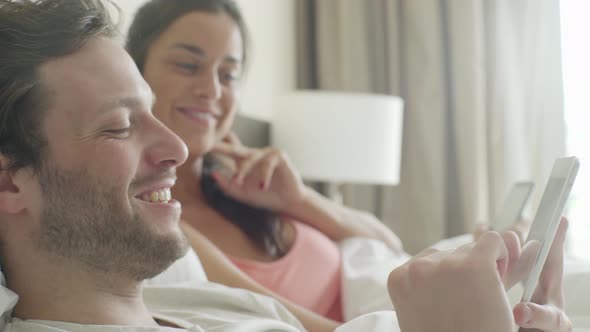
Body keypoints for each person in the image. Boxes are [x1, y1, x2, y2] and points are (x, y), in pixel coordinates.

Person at [0, 0, 572, 331]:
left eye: (229, 73)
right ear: (9, 180)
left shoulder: (200, 302)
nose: (176, 145)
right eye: (119, 126)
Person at [125, 0, 403, 328]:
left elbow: (391, 247)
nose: (211, 90)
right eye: (188, 65)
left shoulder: (253, 191)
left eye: (228, 75)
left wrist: (298, 199)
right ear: (135, 75)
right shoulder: (158, 219)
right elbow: (273, 317)